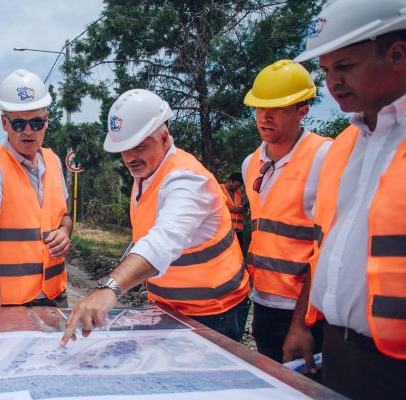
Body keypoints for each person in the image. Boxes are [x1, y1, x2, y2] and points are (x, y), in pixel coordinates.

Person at [281, 0, 406, 398]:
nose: (332, 82)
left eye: (345, 66)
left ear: (397, 54)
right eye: (327, 70)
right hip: (338, 347)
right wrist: (302, 324)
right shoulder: (342, 148)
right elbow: (326, 250)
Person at [61, 89, 250, 346]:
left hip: (213, 313)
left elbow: (164, 239)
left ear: (163, 138)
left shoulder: (187, 179)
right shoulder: (146, 174)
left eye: (138, 146)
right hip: (168, 307)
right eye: (123, 149)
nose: (128, 158)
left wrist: (111, 288)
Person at [0, 69, 73, 345]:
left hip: (55, 298)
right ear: (4, 123)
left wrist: (65, 231)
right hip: (11, 304)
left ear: (47, 121)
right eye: (18, 124)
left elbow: (65, 217)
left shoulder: (53, 161)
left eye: (37, 122)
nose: (28, 131)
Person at [241, 60, 332, 363]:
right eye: (259, 107)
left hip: (306, 314)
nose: (265, 117)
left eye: (277, 109)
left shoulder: (324, 157)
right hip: (264, 303)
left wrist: (301, 323)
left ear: (301, 111)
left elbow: (327, 248)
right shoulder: (250, 163)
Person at [220, 172, 246, 253]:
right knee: (225, 253)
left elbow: (239, 207)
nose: (238, 188)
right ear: (230, 181)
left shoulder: (238, 192)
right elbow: (216, 208)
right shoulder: (219, 189)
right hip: (224, 229)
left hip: (238, 230)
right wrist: (234, 209)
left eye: (239, 186)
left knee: (238, 253)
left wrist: (242, 209)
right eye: (237, 185)